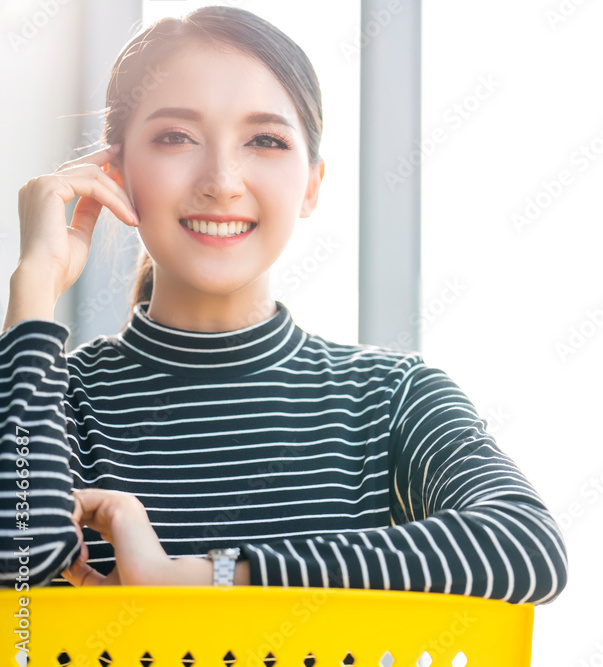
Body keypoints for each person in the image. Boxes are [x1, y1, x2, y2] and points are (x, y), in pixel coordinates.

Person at [0, 5, 567, 604]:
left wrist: (203, 577)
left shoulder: (391, 397)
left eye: (265, 140)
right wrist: (33, 285)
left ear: (312, 185)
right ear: (115, 173)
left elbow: (525, 546)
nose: (221, 179)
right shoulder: (47, 395)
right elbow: (16, 574)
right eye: (175, 137)